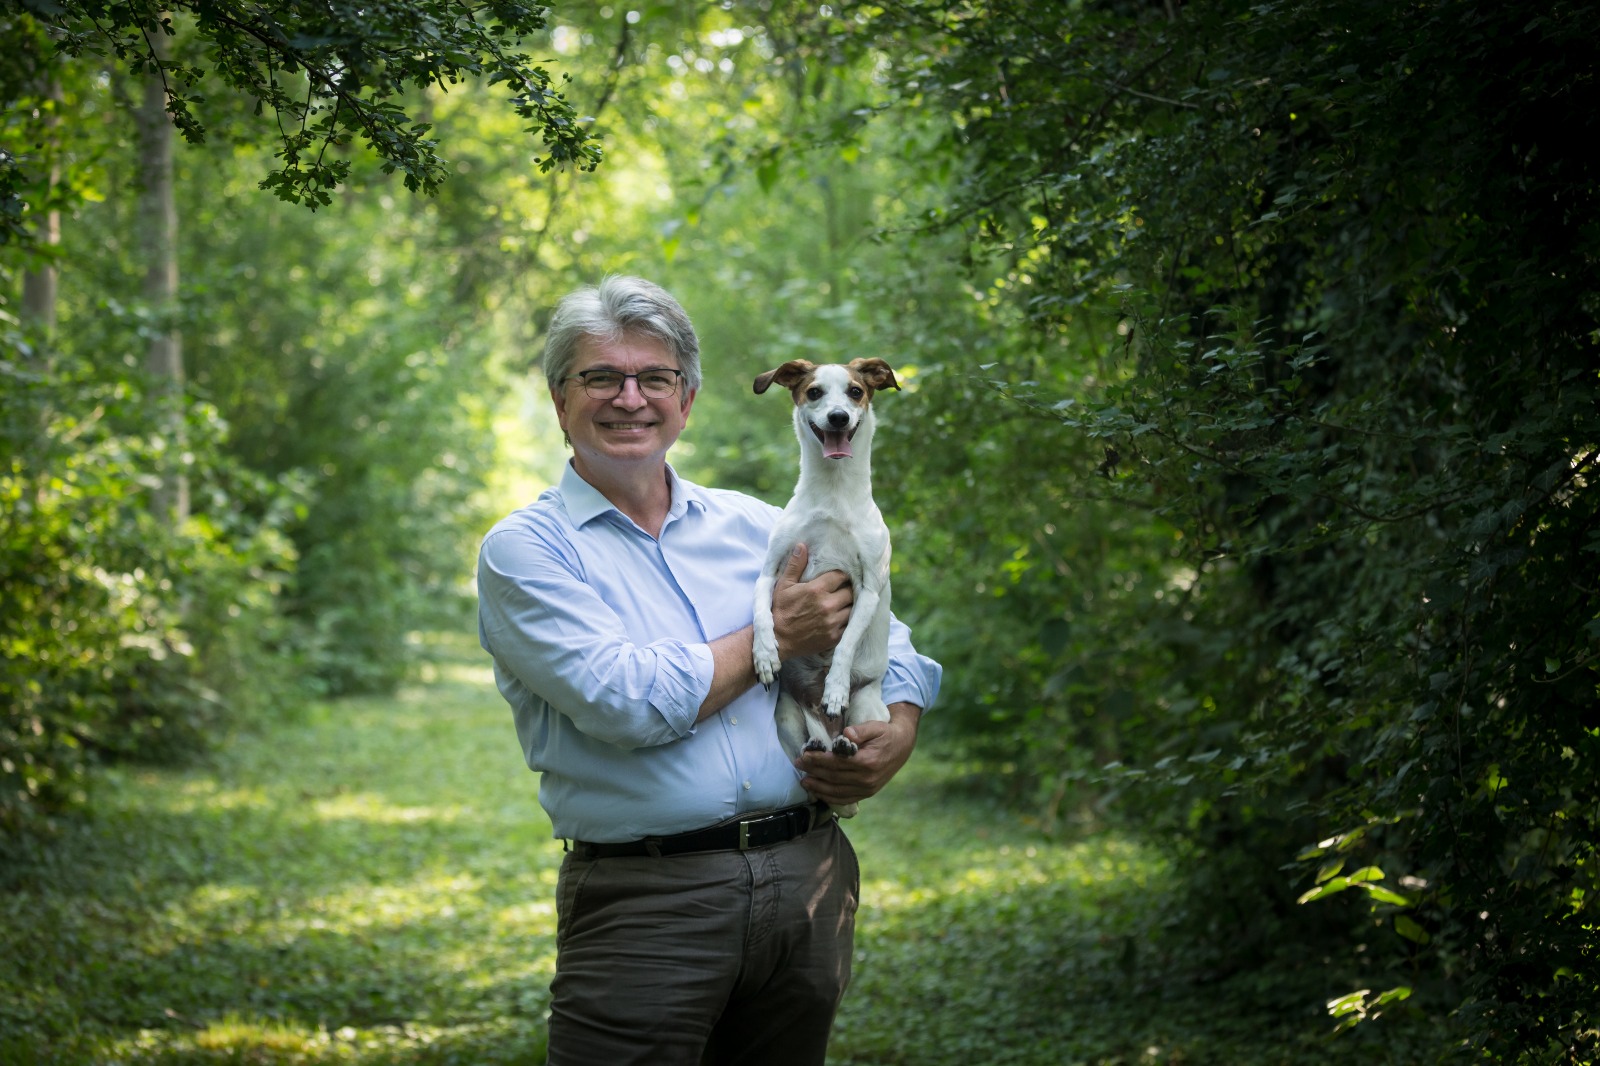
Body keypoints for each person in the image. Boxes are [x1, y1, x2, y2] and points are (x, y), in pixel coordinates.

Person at [476, 275, 941, 1066]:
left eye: (655, 378)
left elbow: (890, 636)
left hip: (809, 881)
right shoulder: (527, 551)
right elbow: (627, 703)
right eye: (601, 378)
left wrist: (898, 727)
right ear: (560, 400)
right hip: (649, 902)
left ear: (685, 400)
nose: (631, 399)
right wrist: (781, 634)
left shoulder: (760, 524)